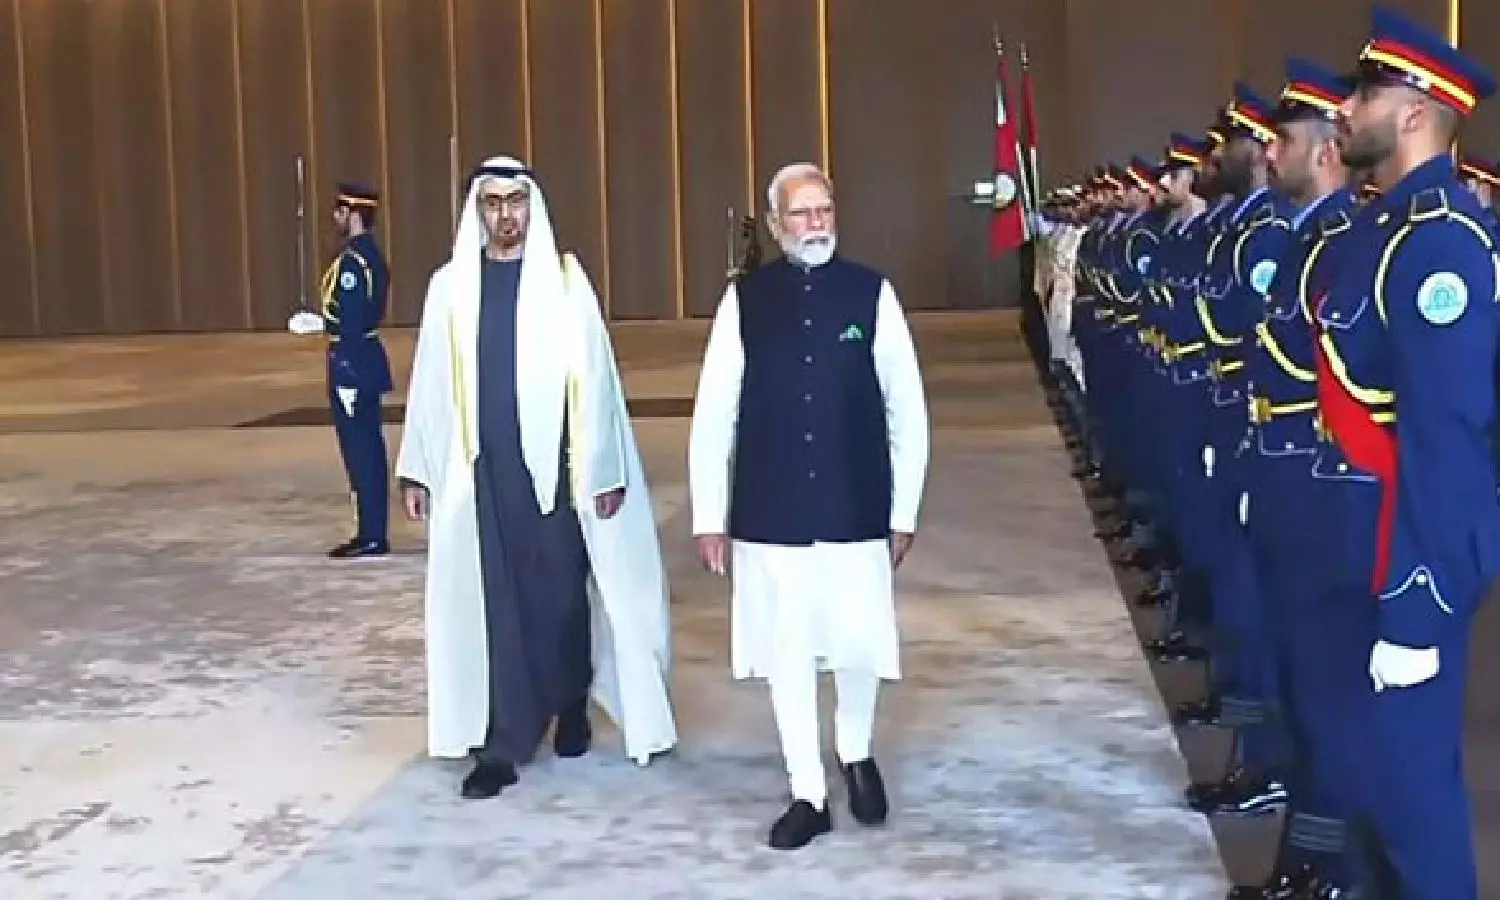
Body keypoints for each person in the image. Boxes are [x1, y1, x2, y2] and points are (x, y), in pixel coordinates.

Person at [394, 155, 677, 798]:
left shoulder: (567, 285)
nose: (505, 215)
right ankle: (505, 742)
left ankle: (570, 698)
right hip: (482, 477)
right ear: (477, 210)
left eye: (514, 201)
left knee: (560, 597)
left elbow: (599, 382)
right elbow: (430, 383)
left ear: (532, 207)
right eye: (492, 203)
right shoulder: (451, 288)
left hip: (558, 476)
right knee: (496, 606)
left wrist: (605, 469)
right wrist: (418, 468)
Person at [688, 162, 930, 850]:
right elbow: (715, 411)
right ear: (775, 224)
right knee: (786, 651)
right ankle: (807, 791)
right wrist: (709, 515)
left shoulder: (871, 294)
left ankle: (856, 750)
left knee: (857, 641)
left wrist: (904, 509)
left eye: (824, 209)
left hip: (856, 502)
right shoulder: (745, 302)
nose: (816, 223)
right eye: (801, 212)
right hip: (772, 509)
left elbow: (907, 407)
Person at [1316, 7, 1500, 896]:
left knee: (1412, 805)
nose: (1345, 110)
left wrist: (1416, 607)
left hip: (1403, 562)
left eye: (1365, 93)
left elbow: (1446, 442)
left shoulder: (1440, 247)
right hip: (1352, 549)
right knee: (1366, 787)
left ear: (1418, 112)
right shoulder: (1381, 230)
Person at [1239, 57, 1360, 899]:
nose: (1267, 154)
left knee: (1328, 689)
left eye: (1282, 142)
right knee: (1301, 676)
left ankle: (1331, 866)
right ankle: (1310, 854)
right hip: (1288, 470)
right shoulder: (1307, 237)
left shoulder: (1340, 240)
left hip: (1324, 484)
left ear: (1322, 152)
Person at [303, 183, 394, 559]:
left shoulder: (353, 264)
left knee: (361, 452)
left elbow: (353, 323)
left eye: (340, 211)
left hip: (353, 362)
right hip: (364, 357)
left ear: (354, 214)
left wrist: (348, 375)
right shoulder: (369, 256)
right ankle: (370, 529)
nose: (335, 217)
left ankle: (371, 534)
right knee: (366, 448)